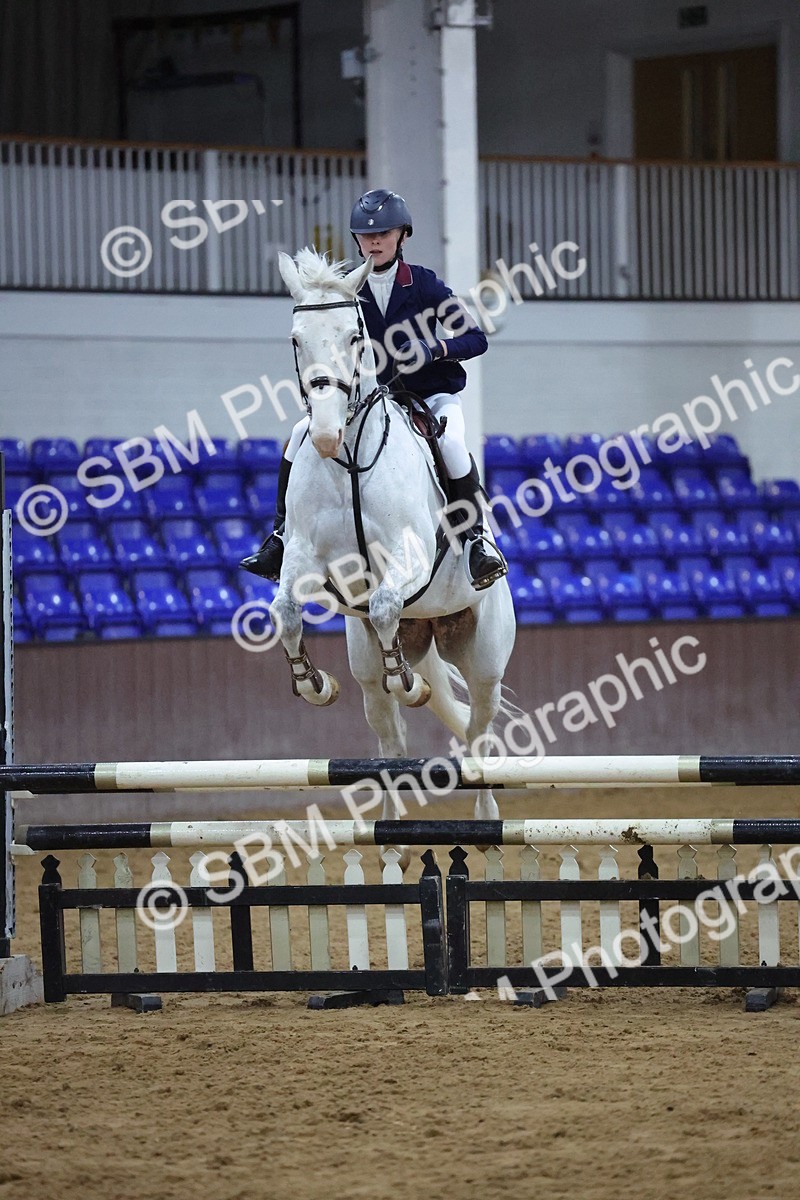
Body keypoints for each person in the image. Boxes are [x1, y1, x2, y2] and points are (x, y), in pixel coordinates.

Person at [241, 188, 507, 590]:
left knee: (452, 443)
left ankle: (476, 540)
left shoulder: (424, 284)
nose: (375, 242)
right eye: (367, 236)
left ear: (402, 236)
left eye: (384, 233)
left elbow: (476, 339)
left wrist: (433, 349)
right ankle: (279, 537)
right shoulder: (347, 290)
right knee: (298, 434)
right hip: (371, 402)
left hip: (430, 398)